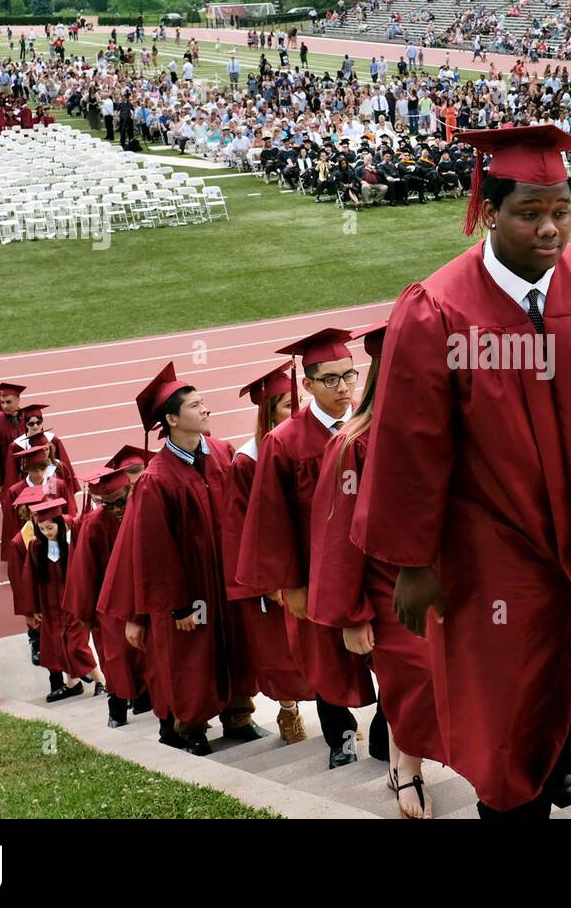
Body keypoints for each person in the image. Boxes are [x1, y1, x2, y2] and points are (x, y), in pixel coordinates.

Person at [351, 124, 571, 818]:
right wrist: (412, 561)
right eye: (528, 213)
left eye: (561, 210)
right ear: (488, 210)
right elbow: (412, 444)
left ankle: (555, 760)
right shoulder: (440, 308)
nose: (549, 229)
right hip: (492, 553)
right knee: (504, 724)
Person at [99, 363, 269, 756]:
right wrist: (176, 606)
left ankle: (238, 716)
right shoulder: (157, 478)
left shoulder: (223, 453)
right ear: (172, 419)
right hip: (190, 588)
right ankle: (189, 727)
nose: (205, 409)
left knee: (236, 646)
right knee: (191, 659)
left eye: (203, 402)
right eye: (195, 405)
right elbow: (155, 548)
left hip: (228, 577)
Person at [308, 323, 444, 817]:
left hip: (450, 583)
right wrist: (350, 614)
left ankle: (417, 762)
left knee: (451, 679)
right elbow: (338, 538)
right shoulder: (354, 443)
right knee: (419, 679)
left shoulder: (443, 423)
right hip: (388, 592)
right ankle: (405, 769)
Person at [236, 330, 380, 770]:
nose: (342, 388)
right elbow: (271, 520)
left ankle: (388, 731)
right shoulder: (285, 442)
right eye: (331, 379)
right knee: (325, 659)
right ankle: (338, 736)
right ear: (309, 385)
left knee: (393, 654)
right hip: (316, 573)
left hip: (373, 569)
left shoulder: (373, 423)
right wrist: (290, 584)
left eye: (349, 376)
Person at [218, 362, 317, 745]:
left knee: (315, 645)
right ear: (266, 412)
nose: (295, 411)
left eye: (298, 401)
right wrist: (269, 580)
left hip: (308, 563)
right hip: (274, 576)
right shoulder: (247, 460)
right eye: (283, 406)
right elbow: (241, 528)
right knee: (281, 650)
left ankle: (331, 710)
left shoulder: (302, 445)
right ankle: (289, 712)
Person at [64, 466, 151, 728]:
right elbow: (84, 574)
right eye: (108, 504)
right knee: (117, 660)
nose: (116, 509)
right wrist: (85, 614)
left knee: (148, 656)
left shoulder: (143, 515)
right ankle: (116, 709)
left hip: (143, 600)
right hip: (110, 607)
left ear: (130, 491)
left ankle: (148, 702)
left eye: (120, 502)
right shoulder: (93, 526)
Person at [23, 498, 103, 702]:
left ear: (59, 523)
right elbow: (30, 579)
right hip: (50, 606)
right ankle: (72, 684)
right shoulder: (36, 547)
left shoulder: (71, 543)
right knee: (59, 644)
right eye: (41, 528)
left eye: (50, 527)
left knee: (76, 645)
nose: (47, 532)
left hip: (73, 603)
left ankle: (102, 681)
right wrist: (34, 609)